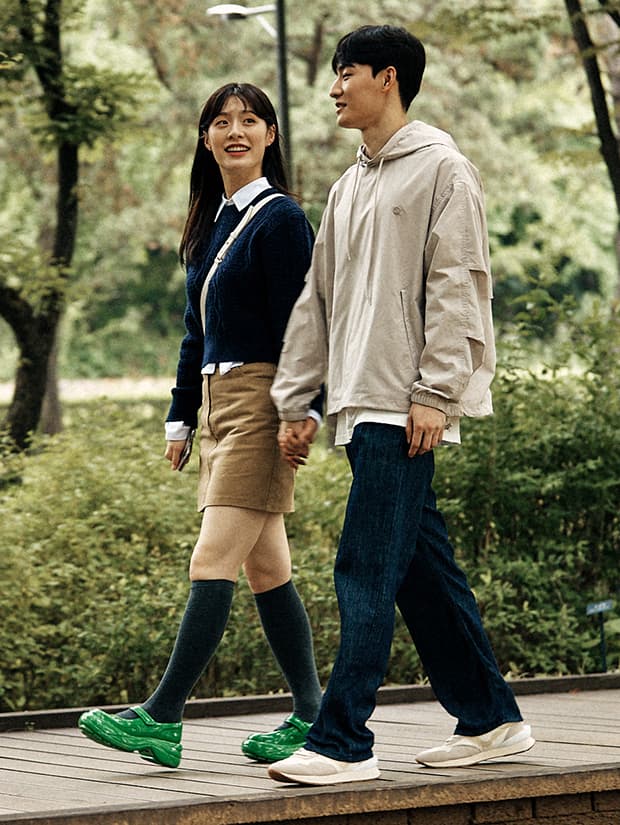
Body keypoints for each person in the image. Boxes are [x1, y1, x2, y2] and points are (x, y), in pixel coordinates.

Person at [267, 25, 535, 786]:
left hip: (405, 405)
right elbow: (318, 301)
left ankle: (343, 741)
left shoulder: (443, 169)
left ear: (387, 77)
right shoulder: (348, 185)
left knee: (364, 569)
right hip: (359, 404)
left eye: (345, 73)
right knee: (421, 573)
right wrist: (298, 399)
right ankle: (492, 718)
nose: (333, 89)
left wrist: (436, 393)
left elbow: (459, 285)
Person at [78, 82, 323, 769]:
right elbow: (196, 332)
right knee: (266, 567)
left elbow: (306, 323)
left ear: (271, 135)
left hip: (263, 402)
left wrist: (303, 408)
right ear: (205, 138)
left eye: (249, 120)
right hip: (218, 407)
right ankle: (313, 715)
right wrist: (180, 416)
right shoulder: (212, 224)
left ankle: (161, 717)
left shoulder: (281, 219)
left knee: (210, 561)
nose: (235, 131)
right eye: (221, 121)